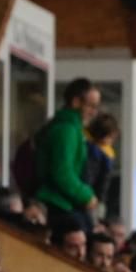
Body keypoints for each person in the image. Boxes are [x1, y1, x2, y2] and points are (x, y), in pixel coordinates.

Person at [34, 78, 100, 233]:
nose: (94, 112)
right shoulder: (67, 130)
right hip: (58, 204)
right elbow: (62, 172)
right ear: (76, 102)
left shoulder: (70, 128)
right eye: (91, 106)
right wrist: (86, 196)